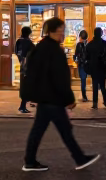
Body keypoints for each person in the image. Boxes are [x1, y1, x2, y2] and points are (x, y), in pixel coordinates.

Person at [20, 16, 100, 172]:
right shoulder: (54, 50)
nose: (62, 34)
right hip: (52, 98)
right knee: (64, 130)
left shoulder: (41, 47)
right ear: (51, 31)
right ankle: (79, 158)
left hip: (45, 97)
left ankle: (30, 161)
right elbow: (60, 77)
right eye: (60, 31)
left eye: (63, 31)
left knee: (40, 130)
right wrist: (68, 98)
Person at [84, 27, 106, 108]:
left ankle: (95, 103)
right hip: (102, 66)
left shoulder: (89, 45)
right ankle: (105, 102)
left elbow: (86, 57)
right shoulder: (105, 44)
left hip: (93, 68)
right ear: (101, 34)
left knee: (95, 85)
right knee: (102, 86)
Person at [15, 26, 34, 113]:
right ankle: (23, 106)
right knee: (27, 86)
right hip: (28, 67)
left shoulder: (18, 41)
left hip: (22, 65)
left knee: (24, 86)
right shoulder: (28, 42)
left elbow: (16, 52)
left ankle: (24, 104)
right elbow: (33, 53)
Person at [73, 30, 89, 102]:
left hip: (81, 65)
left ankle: (84, 96)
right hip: (86, 64)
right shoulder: (88, 45)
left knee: (83, 80)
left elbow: (75, 55)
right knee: (83, 80)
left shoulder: (79, 44)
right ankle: (84, 96)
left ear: (80, 37)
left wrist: (75, 60)